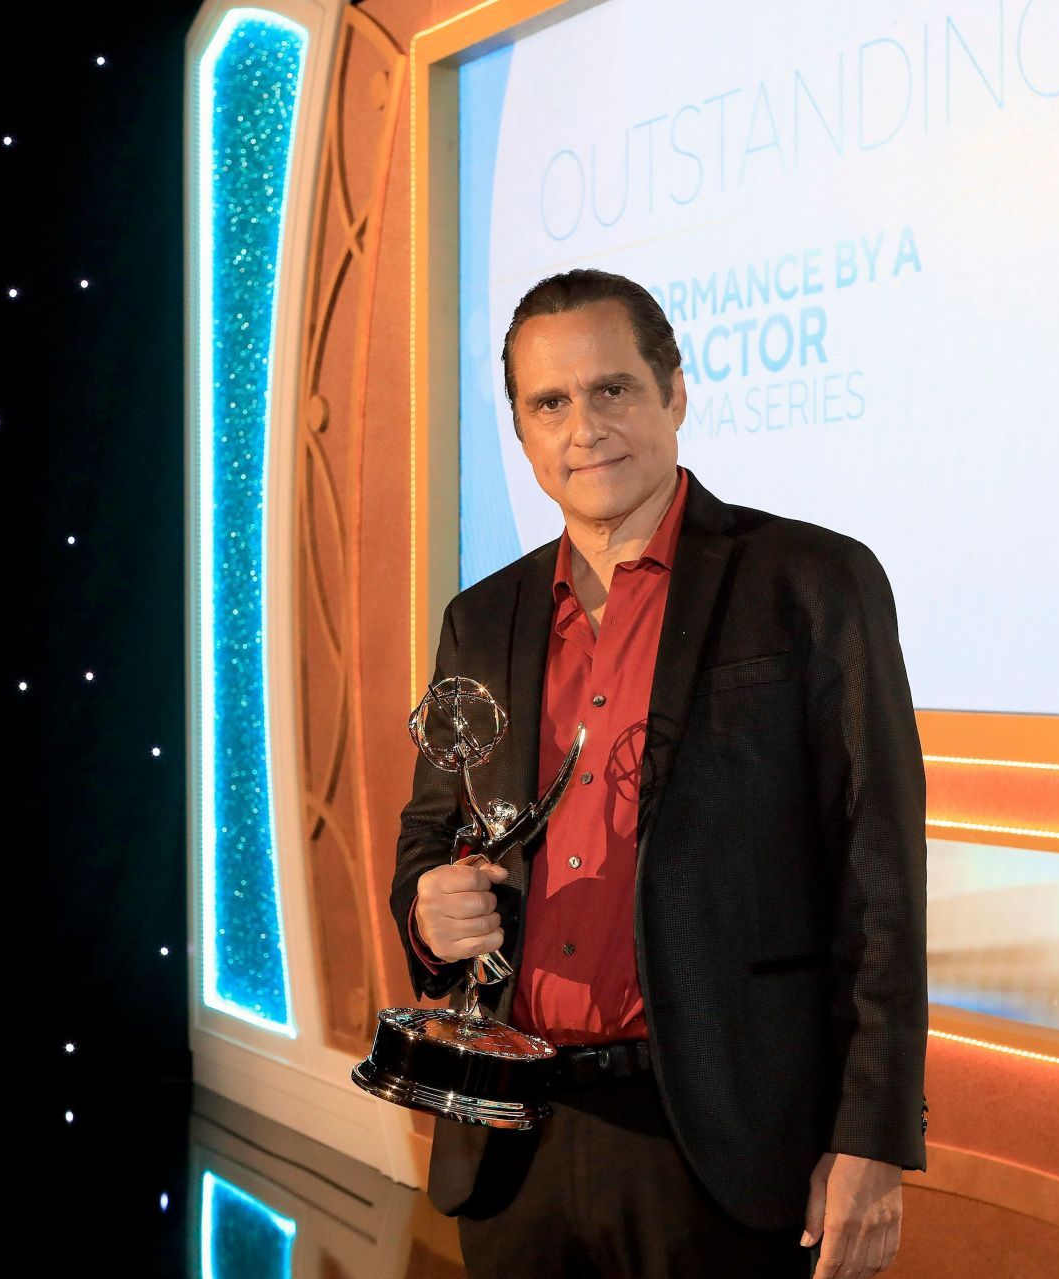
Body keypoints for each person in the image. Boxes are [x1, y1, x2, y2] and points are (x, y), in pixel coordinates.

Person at [389, 269, 928, 1279]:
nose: (583, 427)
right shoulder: (481, 618)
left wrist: (872, 1139)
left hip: (720, 1139)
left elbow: (881, 880)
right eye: (550, 403)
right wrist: (430, 906)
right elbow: (431, 831)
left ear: (674, 393)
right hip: (513, 1145)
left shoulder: (813, 583)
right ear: (521, 430)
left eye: (613, 390)